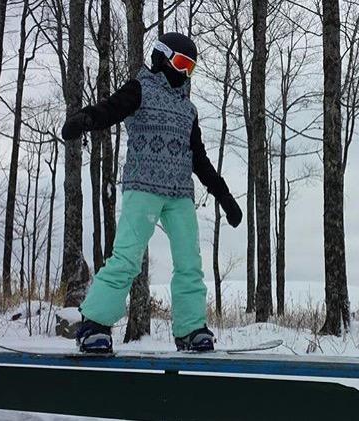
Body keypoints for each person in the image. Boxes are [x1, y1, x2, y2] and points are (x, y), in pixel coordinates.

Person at [61, 32, 243, 353]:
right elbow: (112, 109)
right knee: (128, 258)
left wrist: (225, 198)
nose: (185, 74)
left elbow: (199, 159)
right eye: (182, 64)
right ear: (162, 58)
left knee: (190, 263)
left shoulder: (188, 110)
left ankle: (190, 328)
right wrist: (86, 119)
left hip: (179, 194)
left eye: (192, 68)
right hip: (143, 187)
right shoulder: (140, 88)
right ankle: (95, 325)